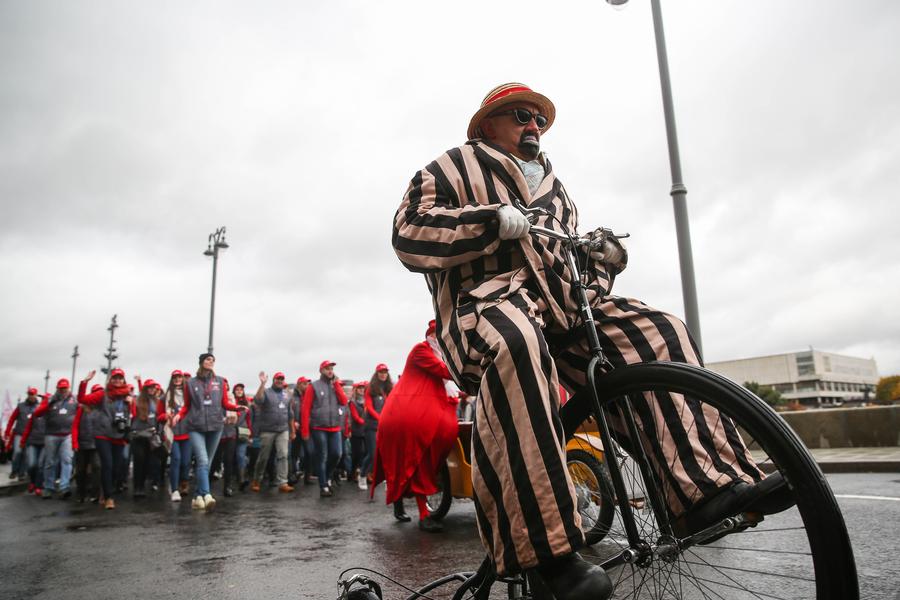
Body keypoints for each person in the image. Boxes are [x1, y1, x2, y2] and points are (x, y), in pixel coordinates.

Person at [392, 83, 787, 597]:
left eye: (539, 118)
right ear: (486, 124)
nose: (533, 125)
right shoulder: (448, 168)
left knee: (658, 329)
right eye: (520, 116)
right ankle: (546, 554)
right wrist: (488, 223)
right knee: (517, 343)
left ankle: (702, 490)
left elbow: (572, 267)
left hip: (564, 311)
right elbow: (408, 233)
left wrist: (602, 262)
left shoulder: (557, 189)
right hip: (487, 305)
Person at [371, 321, 460, 533]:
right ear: (431, 336)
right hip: (404, 413)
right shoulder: (421, 350)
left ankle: (403, 499)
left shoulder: (441, 356)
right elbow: (444, 371)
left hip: (419, 411)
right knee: (414, 458)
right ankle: (422, 513)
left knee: (420, 455)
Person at [171, 353, 248, 510]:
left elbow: (224, 402)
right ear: (201, 362)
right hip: (195, 427)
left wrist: (236, 407)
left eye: (213, 360)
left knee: (207, 462)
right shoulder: (190, 383)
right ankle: (206, 494)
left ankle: (197, 496)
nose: (211, 362)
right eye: (208, 359)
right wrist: (179, 415)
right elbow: (186, 405)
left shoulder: (219, 381)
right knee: (203, 461)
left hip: (215, 426)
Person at [76, 368, 133, 510]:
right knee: (107, 464)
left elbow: (133, 416)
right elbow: (82, 399)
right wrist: (85, 382)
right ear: (110, 380)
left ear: (124, 380)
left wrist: (131, 404)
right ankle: (109, 497)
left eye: (120, 378)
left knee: (116, 467)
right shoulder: (103, 394)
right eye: (115, 378)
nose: (117, 381)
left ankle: (105, 490)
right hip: (103, 434)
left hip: (119, 436)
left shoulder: (127, 396)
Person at [22, 379, 78, 499]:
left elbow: (81, 414)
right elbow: (37, 413)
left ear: (69, 388)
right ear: (57, 389)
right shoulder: (50, 400)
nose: (63, 391)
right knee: (50, 462)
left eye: (65, 388)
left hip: (67, 435)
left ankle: (64, 487)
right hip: (51, 435)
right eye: (61, 388)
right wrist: (48, 403)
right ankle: (48, 487)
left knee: (67, 460)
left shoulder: (74, 400)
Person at [300, 360, 348, 497]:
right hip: (318, 426)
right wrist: (305, 430)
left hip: (335, 427)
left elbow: (344, 402)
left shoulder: (335, 385)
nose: (330, 371)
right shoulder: (313, 386)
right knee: (322, 456)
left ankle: (326, 477)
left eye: (331, 368)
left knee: (337, 454)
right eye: (327, 368)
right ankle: (323, 486)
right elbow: (306, 409)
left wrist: (337, 384)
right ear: (321, 370)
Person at [250, 371, 295, 493]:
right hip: (267, 430)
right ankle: (256, 480)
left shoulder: (287, 395)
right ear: (273, 380)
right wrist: (262, 384)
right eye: (277, 379)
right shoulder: (266, 392)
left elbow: (290, 414)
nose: (280, 381)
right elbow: (258, 400)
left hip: (283, 430)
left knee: (283, 455)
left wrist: (292, 431)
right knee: (263, 456)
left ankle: (283, 482)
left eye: (282, 379)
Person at [129, 378, 164, 498]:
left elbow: (159, 418)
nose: (152, 389)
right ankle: (137, 487)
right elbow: (132, 415)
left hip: (151, 436)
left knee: (147, 462)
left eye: (154, 387)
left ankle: (142, 486)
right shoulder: (137, 401)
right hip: (138, 435)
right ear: (145, 389)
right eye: (150, 387)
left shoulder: (158, 401)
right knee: (139, 461)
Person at [162, 369, 192, 502]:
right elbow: (161, 413)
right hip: (172, 433)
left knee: (186, 462)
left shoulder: (189, 394)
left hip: (187, 432)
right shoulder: (167, 394)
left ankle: (183, 482)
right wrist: (166, 416)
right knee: (176, 460)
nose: (177, 380)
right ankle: (174, 489)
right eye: (175, 377)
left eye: (179, 377)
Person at [360, 364, 391, 489]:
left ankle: (387, 479)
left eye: (385, 372)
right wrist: (380, 418)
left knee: (386, 454)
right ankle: (362, 475)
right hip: (372, 426)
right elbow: (369, 407)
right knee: (373, 454)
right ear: (377, 373)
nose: (383, 374)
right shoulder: (370, 389)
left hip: (386, 427)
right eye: (381, 372)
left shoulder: (390, 388)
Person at [71, 385, 103, 503]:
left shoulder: (103, 409)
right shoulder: (81, 408)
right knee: (81, 470)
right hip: (82, 444)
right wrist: (74, 443)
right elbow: (75, 426)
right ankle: (81, 493)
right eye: (95, 392)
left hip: (97, 444)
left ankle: (95, 493)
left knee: (97, 467)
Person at [4, 387, 41, 482]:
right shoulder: (20, 406)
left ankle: (21, 473)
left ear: (36, 395)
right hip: (19, 433)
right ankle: (14, 471)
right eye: (29, 394)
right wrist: (7, 431)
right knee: (17, 452)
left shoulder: (39, 407)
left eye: (33, 394)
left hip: (31, 435)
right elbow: (12, 419)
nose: (31, 396)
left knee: (26, 455)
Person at [347, 382, 368, 488]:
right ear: (355, 390)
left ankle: (364, 473)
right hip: (356, 431)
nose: (361, 390)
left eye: (362, 388)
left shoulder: (367, 401)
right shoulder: (353, 402)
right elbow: (355, 417)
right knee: (357, 453)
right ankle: (352, 473)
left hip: (366, 431)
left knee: (366, 452)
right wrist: (366, 422)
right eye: (359, 388)